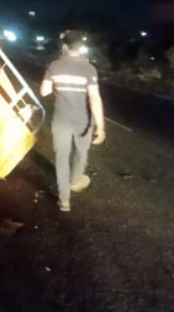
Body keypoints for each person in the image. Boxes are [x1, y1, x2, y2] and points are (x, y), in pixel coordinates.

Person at [39, 30, 106, 212]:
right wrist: (100, 127)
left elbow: (44, 91)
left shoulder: (54, 66)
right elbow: (94, 98)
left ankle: (64, 200)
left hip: (61, 119)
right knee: (81, 152)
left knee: (61, 157)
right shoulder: (89, 69)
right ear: (81, 48)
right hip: (83, 120)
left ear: (65, 47)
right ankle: (75, 180)